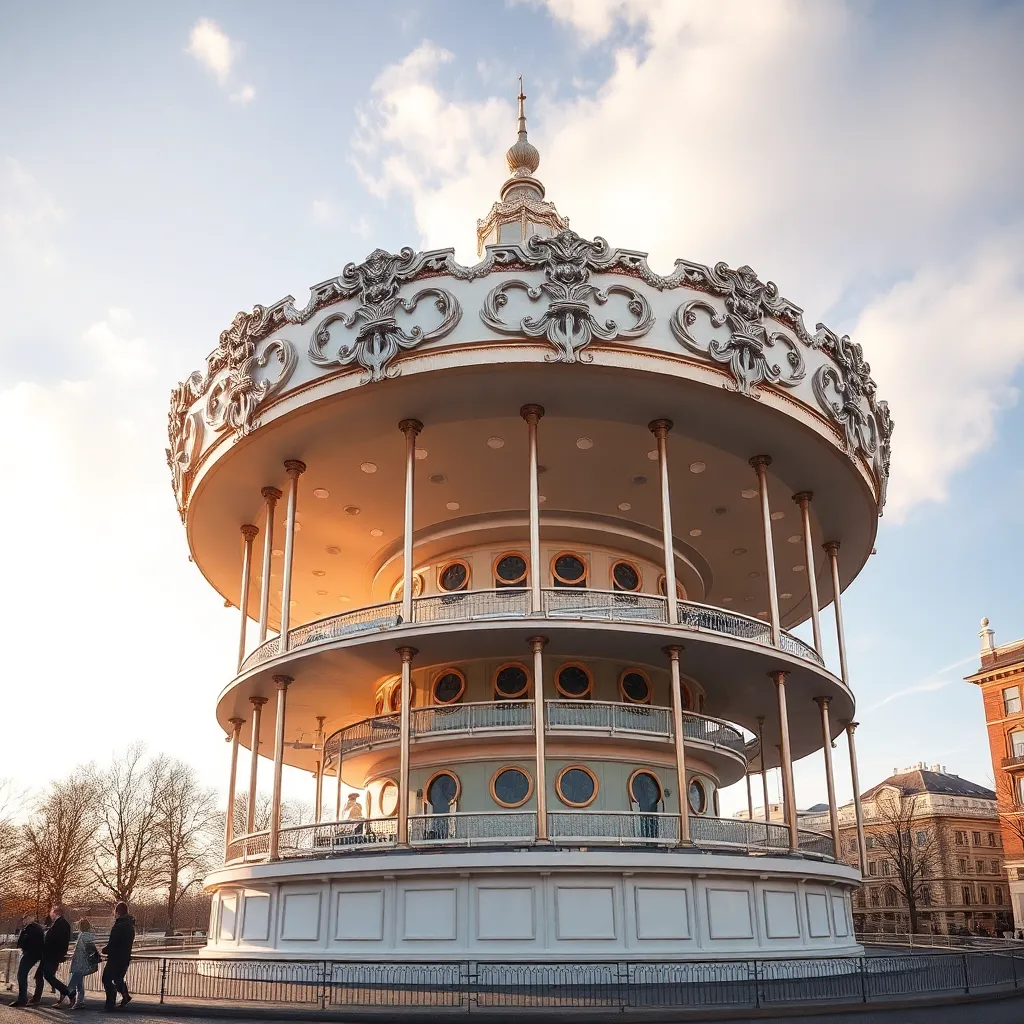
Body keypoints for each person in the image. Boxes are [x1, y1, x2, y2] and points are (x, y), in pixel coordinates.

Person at [32, 904, 71, 1005]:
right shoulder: (59, 923)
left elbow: (57, 941)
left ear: (55, 913)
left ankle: (68, 992)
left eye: (51, 912)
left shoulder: (61, 924)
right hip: (50, 954)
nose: (50, 914)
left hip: (52, 955)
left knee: (48, 976)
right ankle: (36, 998)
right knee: (39, 975)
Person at [100, 902, 135, 1011]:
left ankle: (110, 1005)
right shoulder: (130, 925)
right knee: (118, 978)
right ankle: (125, 996)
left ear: (118, 912)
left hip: (115, 958)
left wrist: (104, 950)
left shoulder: (118, 926)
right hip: (125, 958)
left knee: (106, 979)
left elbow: (113, 944)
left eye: (114, 911)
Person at [9, 912, 44, 1007]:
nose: (24, 920)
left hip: (30, 954)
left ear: (30, 918)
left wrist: (23, 931)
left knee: (21, 975)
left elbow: (22, 942)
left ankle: (22, 998)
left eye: (25, 918)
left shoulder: (31, 928)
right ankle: (32, 998)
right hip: (34, 954)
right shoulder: (36, 928)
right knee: (33, 976)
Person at [67, 917, 100, 1009]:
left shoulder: (83, 936)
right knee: (79, 983)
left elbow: (84, 950)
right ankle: (79, 1001)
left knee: (72, 984)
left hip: (80, 963)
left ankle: (69, 1000)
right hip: (82, 963)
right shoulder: (87, 935)